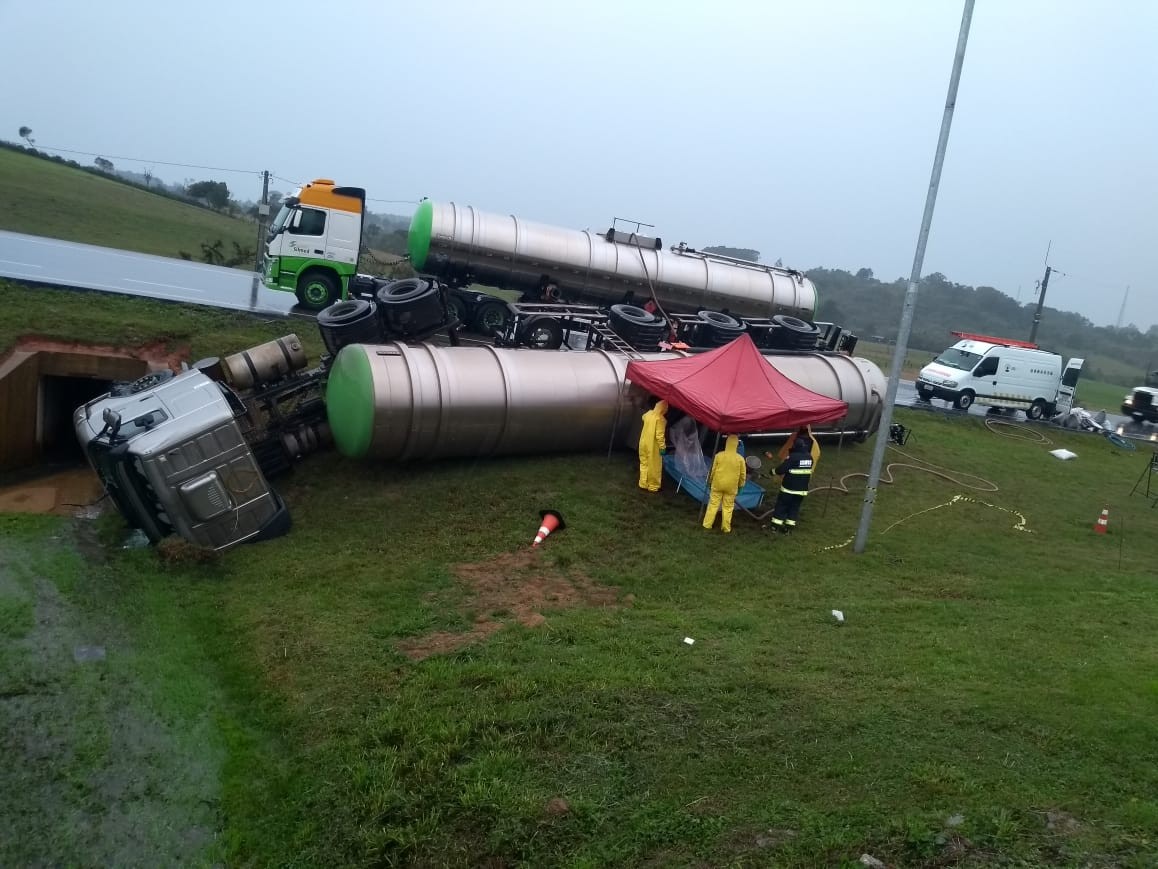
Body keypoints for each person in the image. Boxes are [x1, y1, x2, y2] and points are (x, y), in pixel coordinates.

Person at [770, 435, 814, 533]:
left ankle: (775, 527)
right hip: (802, 490)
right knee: (794, 508)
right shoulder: (809, 457)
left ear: (795, 446)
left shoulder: (792, 457)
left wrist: (772, 472)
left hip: (789, 489)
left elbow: (781, 470)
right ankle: (788, 529)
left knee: (782, 506)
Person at [703, 435, 746, 533]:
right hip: (731, 487)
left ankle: (707, 524)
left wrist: (709, 481)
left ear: (726, 443)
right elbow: (742, 475)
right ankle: (726, 528)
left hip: (717, 484)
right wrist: (741, 486)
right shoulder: (740, 459)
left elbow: (712, 470)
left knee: (713, 504)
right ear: (736, 445)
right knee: (728, 507)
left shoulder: (719, 455)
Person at [637, 399, 669, 492]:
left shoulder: (648, 414)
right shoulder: (661, 419)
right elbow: (659, 435)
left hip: (643, 443)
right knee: (654, 467)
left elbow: (643, 417)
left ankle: (643, 483)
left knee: (644, 463)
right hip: (653, 446)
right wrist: (662, 447)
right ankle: (653, 486)